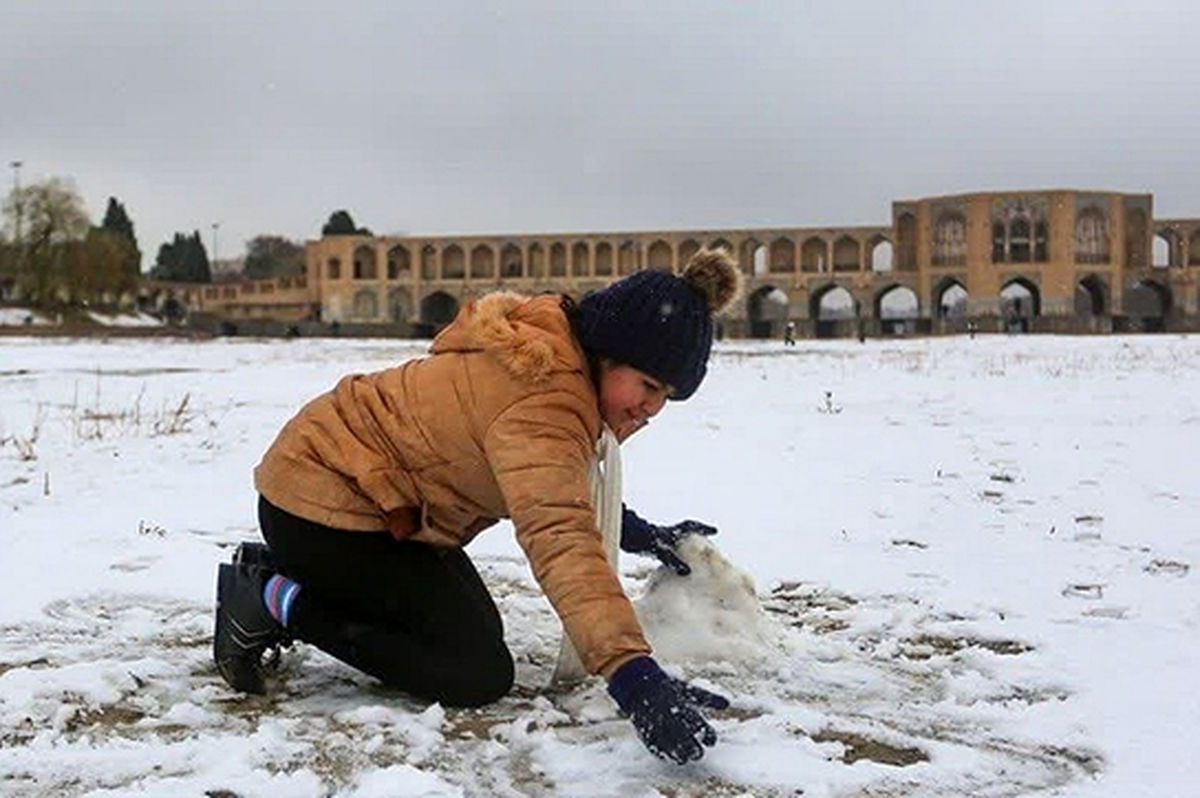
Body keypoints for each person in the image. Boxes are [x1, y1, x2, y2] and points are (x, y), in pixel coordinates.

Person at [213, 249, 742, 764]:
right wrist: (634, 675)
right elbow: (558, 533)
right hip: (320, 504)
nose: (651, 408)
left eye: (667, 396)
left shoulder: (560, 364)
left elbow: (555, 489)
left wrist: (643, 534)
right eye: (648, 385)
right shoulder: (542, 397)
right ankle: (269, 596)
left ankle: (299, 575)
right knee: (471, 671)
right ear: (606, 352)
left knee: (476, 636)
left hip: (378, 507)